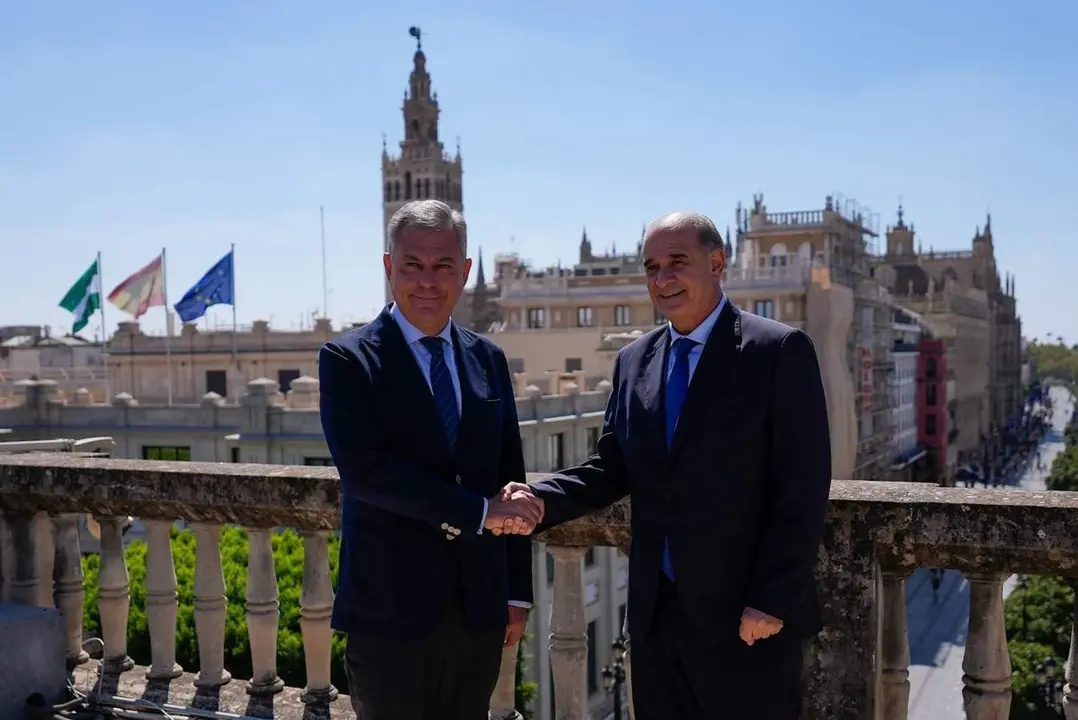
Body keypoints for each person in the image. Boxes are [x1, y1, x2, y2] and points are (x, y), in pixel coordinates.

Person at [505, 212, 833, 718]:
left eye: (677, 262)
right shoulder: (633, 360)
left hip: (747, 619)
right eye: (652, 267)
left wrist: (773, 598)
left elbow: (803, 486)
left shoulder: (778, 350)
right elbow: (612, 467)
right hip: (656, 621)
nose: (663, 278)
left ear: (717, 262)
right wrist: (538, 498)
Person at [319, 199, 544, 720]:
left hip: (478, 610)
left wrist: (516, 593)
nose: (427, 281)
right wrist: (478, 512)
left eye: (443, 265)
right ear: (388, 267)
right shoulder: (348, 359)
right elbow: (366, 474)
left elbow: (510, 475)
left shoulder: (488, 358)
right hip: (389, 614)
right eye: (412, 265)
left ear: (464, 271)